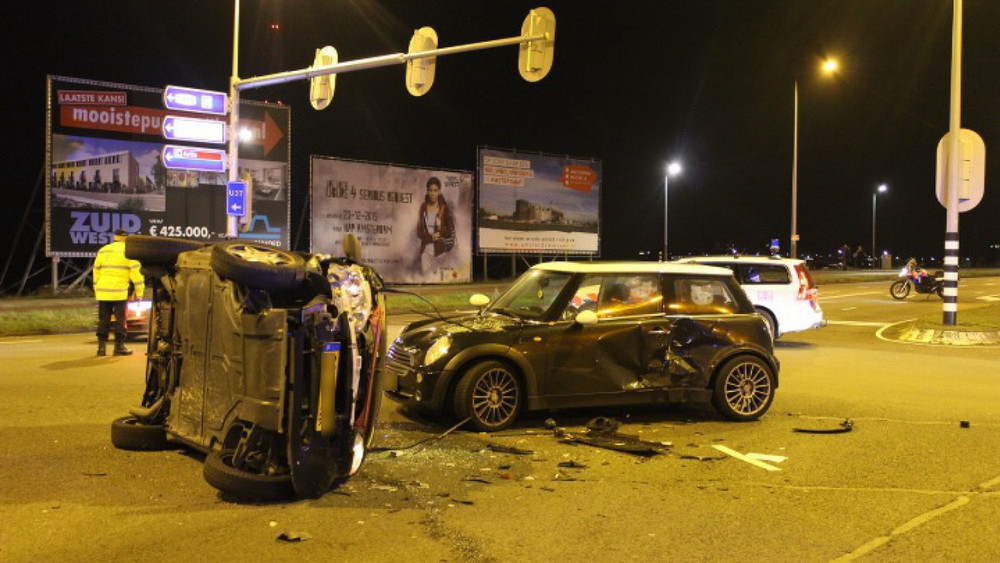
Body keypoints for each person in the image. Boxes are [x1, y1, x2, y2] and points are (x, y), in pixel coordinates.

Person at [93, 229, 144, 356]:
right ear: (126, 238)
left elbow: (96, 271)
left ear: (115, 237)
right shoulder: (129, 252)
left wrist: (97, 289)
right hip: (119, 293)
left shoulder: (103, 250)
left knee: (103, 319)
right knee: (120, 320)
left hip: (103, 292)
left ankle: (101, 348)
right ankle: (119, 347)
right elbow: (137, 275)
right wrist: (139, 293)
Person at [416, 176, 456, 275]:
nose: (433, 193)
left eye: (435, 190)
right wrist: (430, 237)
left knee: (439, 280)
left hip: (440, 253)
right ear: (427, 191)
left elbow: (449, 232)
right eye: (430, 190)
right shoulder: (423, 207)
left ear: (439, 191)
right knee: (426, 279)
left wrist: (440, 231)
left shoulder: (444, 208)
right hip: (426, 252)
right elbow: (419, 232)